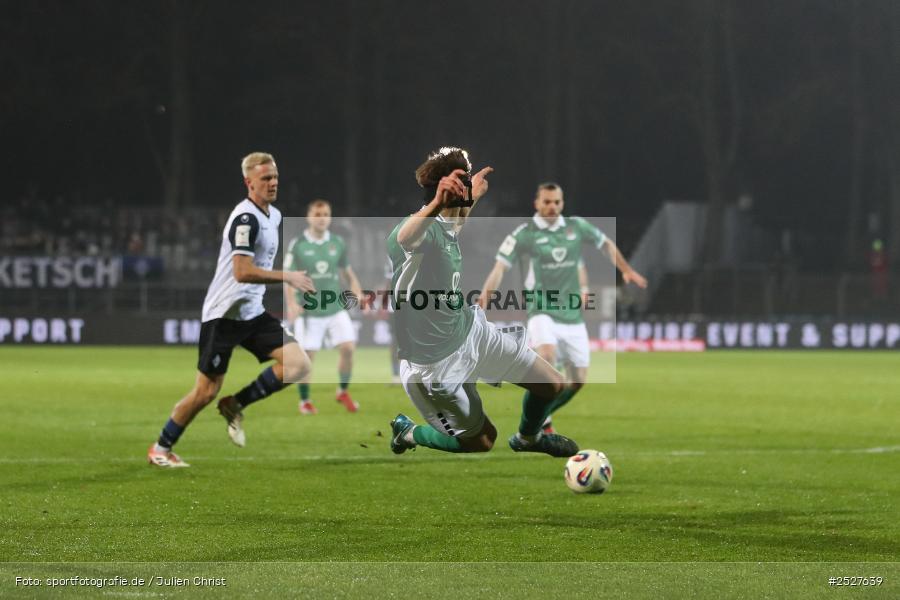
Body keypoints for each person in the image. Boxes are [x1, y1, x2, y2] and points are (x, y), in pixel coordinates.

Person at [387, 147, 577, 458]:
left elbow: (457, 221)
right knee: (482, 441)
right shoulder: (421, 231)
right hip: (435, 365)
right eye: (464, 177)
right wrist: (438, 203)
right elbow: (405, 238)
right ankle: (408, 432)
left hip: (470, 332)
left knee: (552, 384)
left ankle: (528, 438)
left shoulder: (448, 225)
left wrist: (472, 196)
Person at [147, 152, 315, 468]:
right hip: (224, 315)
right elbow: (241, 271)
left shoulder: (274, 216)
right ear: (249, 182)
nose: (273, 182)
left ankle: (235, 404)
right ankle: (160, 448)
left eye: (275, 176)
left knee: (298, 365)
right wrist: (287, 276)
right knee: (205, 391)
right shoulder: (245, 219)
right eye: (265, 178)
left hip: (251, 312)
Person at [479, 182, 647, 434]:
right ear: (537, 203)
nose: (552, 206)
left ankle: (541, 417)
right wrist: (484, 298)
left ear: (562, 203)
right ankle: (534, 425)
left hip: (571, 315)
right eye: (547, 201)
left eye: (557, 202)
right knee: (547, 359)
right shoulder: (524, 234)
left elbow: (603, 246)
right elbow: (500, 267)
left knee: (578, 380)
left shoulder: (575, 227)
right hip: (541, 310)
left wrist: (625, 270)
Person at [284, 200, 364, 414]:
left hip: (335, 307)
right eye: (317, 214)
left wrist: (357, 291)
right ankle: (305, 401)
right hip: (309, 310)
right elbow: (289, 277)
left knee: (348, 348)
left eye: (326, 214)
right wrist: (291, 303)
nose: (322, 218)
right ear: (308, 217)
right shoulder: (298, 244)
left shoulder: (337, 242)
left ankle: (343, 392)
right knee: (307, 359)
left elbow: (347, 273)